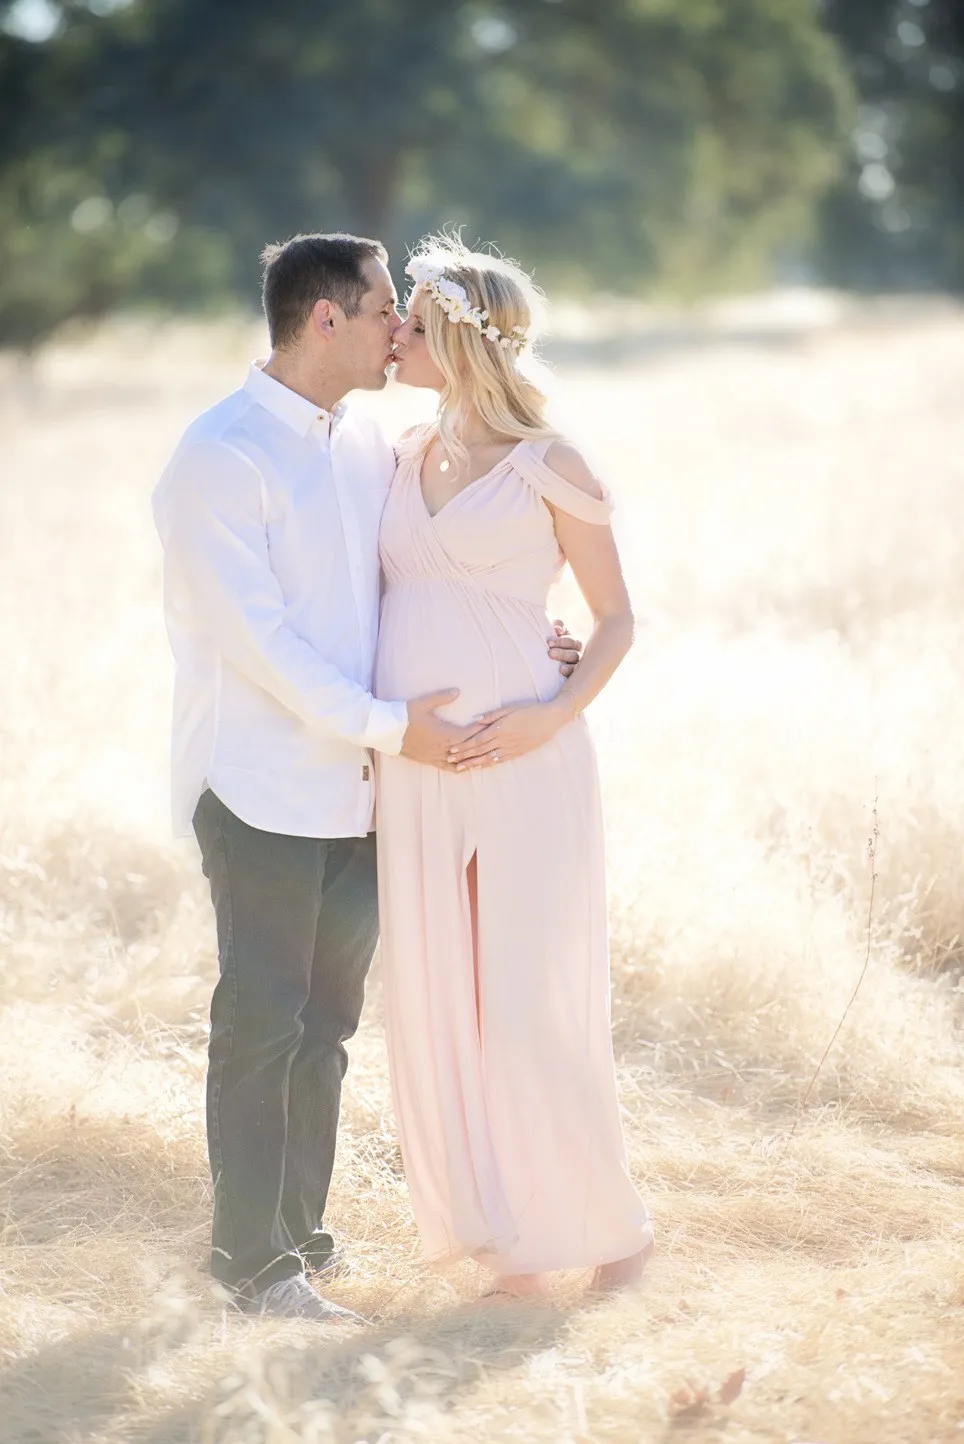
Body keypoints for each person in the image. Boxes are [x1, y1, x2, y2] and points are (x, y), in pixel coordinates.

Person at [151, 232, 580, 1321]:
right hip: (259, 787)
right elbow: (261, 646)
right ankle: (251, 1267)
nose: (402, 326)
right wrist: (395, 728)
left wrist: (531, 648)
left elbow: (428, 582)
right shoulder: (221, 456)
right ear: (325, 318)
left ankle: (299, 1240)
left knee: (327, 1027)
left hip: (364, 789)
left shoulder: (366, 444)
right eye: (388, 306)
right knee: (263, 1020)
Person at [375, 236, 654, 1297]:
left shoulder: (552, 464)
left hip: (524, 755)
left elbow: (616, 619)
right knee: (448, 995)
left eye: (411, 322)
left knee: (527, 998)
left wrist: (553, 711)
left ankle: (615, 1232)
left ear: (459, 339)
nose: (393, 336)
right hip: (417, 766)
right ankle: (511, 1242)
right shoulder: (401, 453)